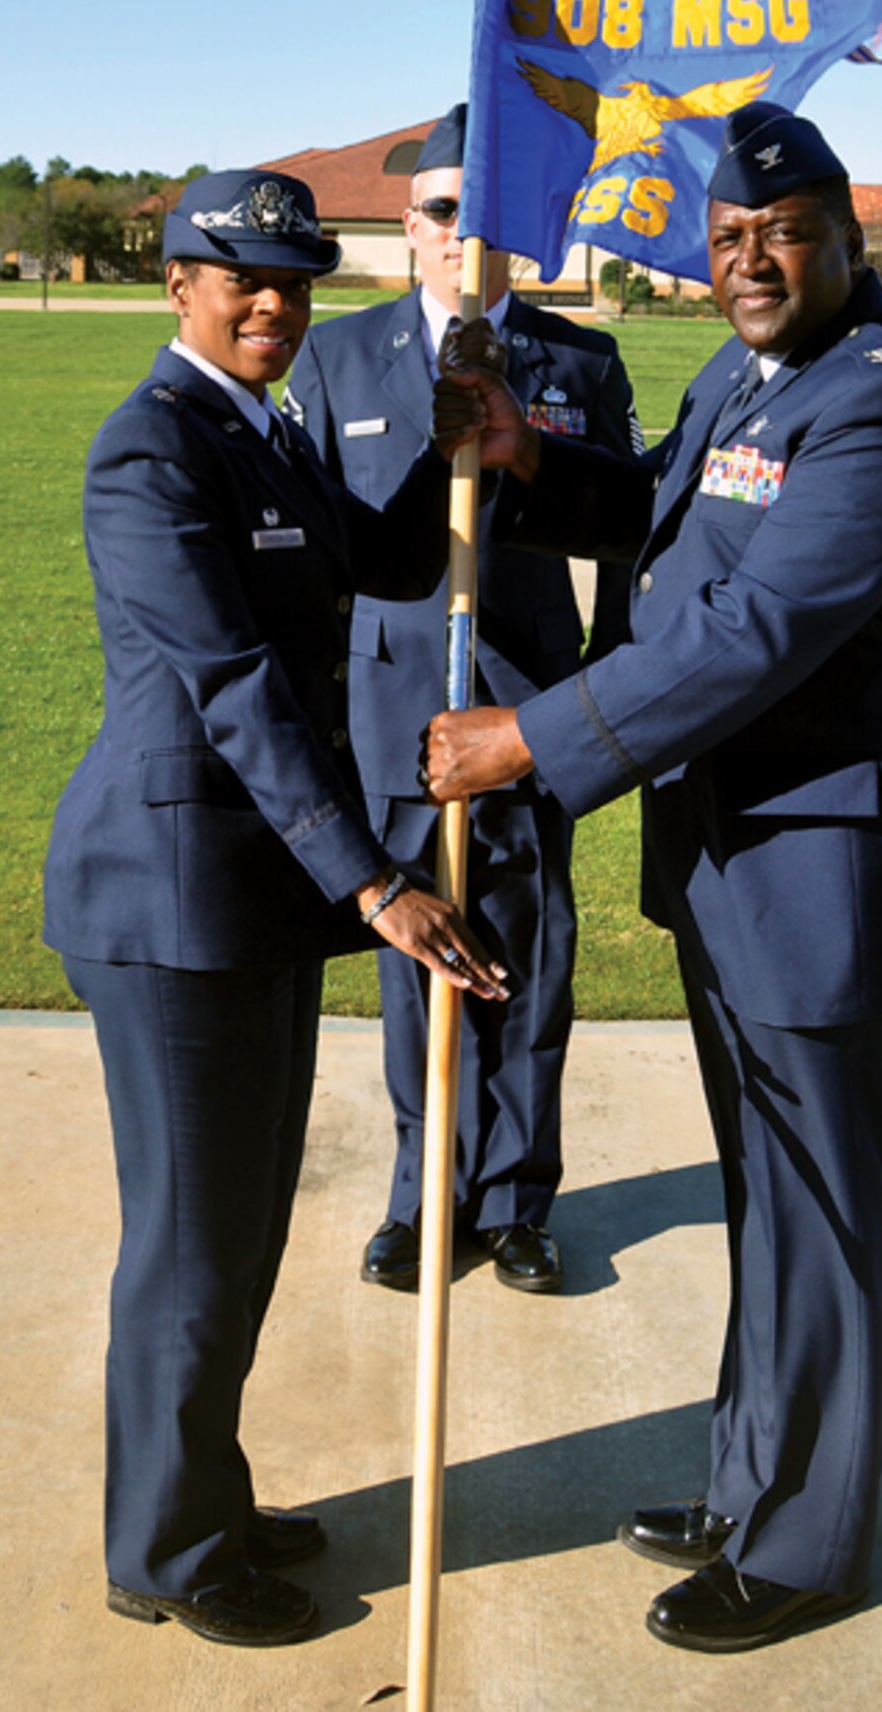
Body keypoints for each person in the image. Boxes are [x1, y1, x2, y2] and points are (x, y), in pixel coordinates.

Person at [423, 103, 882, 1652]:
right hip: (737, 861)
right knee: (767, 1197)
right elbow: (666, 509)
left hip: (826, 876)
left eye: (781, 234)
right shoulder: (752, 375)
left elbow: (752, 636)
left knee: (815, 1210)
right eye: (729, 238)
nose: (749, 260)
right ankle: (755, 1481)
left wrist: (524, 744)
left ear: (848, 244)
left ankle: (806, 1543)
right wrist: (527, 452)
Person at [42, 169, 507, 1648]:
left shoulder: (271, 431)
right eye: (240, 278)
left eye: (296, 284)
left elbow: (376, 560)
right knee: (189, 1244)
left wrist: (461, 444)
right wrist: (371, 877)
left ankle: (209, 1495)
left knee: (238, 1236)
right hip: (170, 900)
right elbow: (232, 682)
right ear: (175, 281)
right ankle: (166, 1554)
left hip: (253, 897)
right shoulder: (151, 454)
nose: (273, 307)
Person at [284, 104, 640, 1295]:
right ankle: (421, 1199)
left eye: (485, 214)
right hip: (396, 707)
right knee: (414, 962)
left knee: (531, 966)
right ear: (408, 224)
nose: (462, 235)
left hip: (534, 701)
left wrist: (614, 697)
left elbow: (624, 533)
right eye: (443, 210)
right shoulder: (339, 358)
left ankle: (519, 1199)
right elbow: (321, 559)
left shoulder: (577, 362)